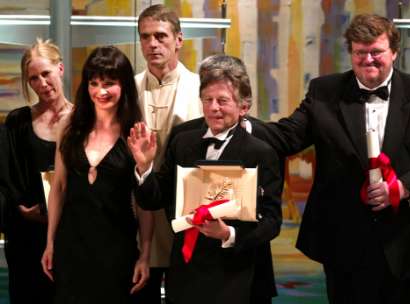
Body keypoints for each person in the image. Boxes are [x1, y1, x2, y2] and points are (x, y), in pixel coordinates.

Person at [261, 14, 410, 304]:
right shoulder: (324, 92)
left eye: (376, 52)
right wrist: (241, 124)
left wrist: (402, 188)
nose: (368, 60)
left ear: (394, 52)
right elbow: (288, 136)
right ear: (351, 53)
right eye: (360, 52)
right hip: (346, 242)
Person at [129, 54, 282, 304]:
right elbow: (154, 199)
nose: (213, 107)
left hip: (236, 274)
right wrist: (144, 167)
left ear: (243, 107)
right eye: (208, 100)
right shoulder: (183, 142)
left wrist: (228, 234)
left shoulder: (261, 152)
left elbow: (272, 220)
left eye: (222, 101)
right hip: (187, 272)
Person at [40, 46, 151, 303]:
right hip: (72, 246)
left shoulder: (135, 132)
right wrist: (50, 242)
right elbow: (58, 188)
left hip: (118, 249)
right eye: (94, 83)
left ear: (123, 85)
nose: (100, 91)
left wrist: (145, 254)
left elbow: (145, 203)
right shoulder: (69, 125)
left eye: (109, 83)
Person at [134, 4, 202, 303]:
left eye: (160, 36)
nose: (152, 44)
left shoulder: (201, 89)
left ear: (179, 40)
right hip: (137, 215)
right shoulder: (127, 88)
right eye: (145, 37)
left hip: (186, 217)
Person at [2, 38, 72, 304]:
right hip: (27, 237)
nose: (42, 84)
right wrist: (22, 209)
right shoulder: (18, 121)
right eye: (33, 79)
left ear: (60, 69)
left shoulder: (82, 121)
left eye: (46, 74)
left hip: (69, 235)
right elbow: (7, 178)